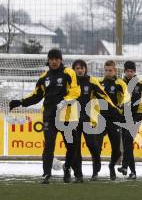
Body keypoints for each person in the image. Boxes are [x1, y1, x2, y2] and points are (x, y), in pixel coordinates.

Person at [9, 48, 80, 184]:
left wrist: (65, 101)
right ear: (48, 60)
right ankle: (46, 174)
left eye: (56, 59)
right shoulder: (44, 77)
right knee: (49, 145)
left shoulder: (68, 73)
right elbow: (36, 96)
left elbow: (76, 91)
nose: (54, 62)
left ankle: (67, 168)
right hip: (49, 116)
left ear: (61, 60)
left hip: (67, 116)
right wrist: (21, 102)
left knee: (71, 146)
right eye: (51, 59)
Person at [70, 59, 120, 182]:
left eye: (82, 68)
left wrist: (115, 109)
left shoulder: (91, 81)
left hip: (88, 119)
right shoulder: (69, 82)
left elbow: (103, 95)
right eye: (77, 68)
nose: (80, 70)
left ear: (85, 69)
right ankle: (78, 175)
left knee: (92, 145)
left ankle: (96, 164)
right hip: (73, 119)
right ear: (74, 70)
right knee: (75, 148)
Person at [117, 61, 142, 180]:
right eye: (127, 71)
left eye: (132, 71)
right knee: (127, 144)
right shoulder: (120, 83)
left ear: (134, 72)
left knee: (127, 139)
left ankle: (125, 166)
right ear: (124, 71)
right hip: (125, 115)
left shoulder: (140, 83)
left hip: (137, 115)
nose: (130, 73)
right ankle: (133, 172)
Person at [97, 60, 129, 180]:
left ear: (115, 71)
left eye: (110, 70)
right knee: (95, 145)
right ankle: (96, 167)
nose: (108, 72)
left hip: (115, 119)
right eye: (106, 70)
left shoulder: (119, 83)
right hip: (101, 118)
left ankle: (111, 166)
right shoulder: (99, 83)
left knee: (117, 150)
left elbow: (127, 95)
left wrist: (122, 104)